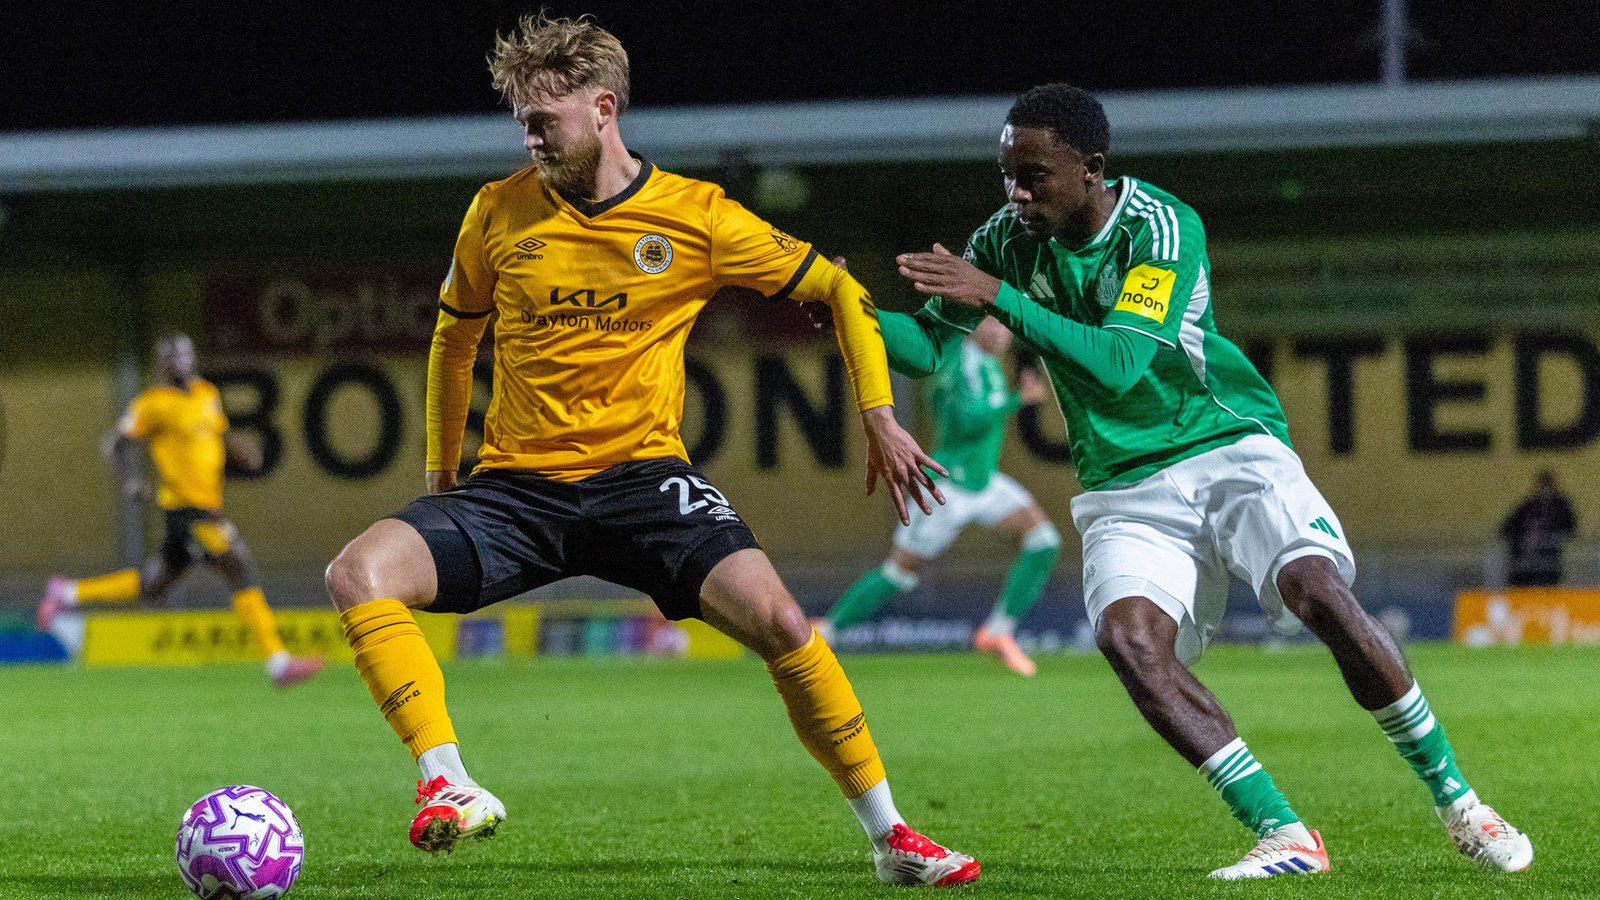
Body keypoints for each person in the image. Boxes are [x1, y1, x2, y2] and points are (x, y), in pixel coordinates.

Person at [321, 13, 978, 887]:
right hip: (516, 489)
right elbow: (453, 342)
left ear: (603, 108)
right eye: (519, 120)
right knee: (356, 574)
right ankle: (448, 781)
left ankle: (892, 837)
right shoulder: (495, 211)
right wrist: (443, 472)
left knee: (784, 624)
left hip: (644, 480)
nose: (528, 136)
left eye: (541, 119)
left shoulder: (697, 217)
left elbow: (836, 288)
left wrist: (880, 414)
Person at [871, 83, 1532, 878]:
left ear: (1091, 168)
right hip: (1123, 482)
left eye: (1033, 175)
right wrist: (847, 310)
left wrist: (999, 298)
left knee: (1317, 590)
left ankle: (1460, 801)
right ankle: (1284, 833)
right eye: (1006, 173)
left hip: (1228, 448)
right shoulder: (1005, 240)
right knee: (1127, 640)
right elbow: (927, 348)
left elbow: (1120, 366)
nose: (1015, 192)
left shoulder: (1161, 224)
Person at [36, 334, 324, 688]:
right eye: (171, 355)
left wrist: (240, 454)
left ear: (193, 356)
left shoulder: (207, 394)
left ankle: (66, 593)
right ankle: (278, 662)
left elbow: (216, 439)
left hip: (208, 507)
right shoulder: (154, 402)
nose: (179, 360)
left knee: (153, 586)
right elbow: (116, 444)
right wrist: (130, 481)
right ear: (161, 364)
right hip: (186, 512)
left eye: (185, 352)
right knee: (238, 566)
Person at [817, 316, 1061, 676]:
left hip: (983, 482)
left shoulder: (990, 365)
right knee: (899, 573)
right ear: (973, 326)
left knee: (1043, 539)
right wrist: (1016, 400)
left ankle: (998, 632)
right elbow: (964, 420)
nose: (997, 331)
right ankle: (826, 632)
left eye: (1003, 324)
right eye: (988, 323)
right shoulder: (959, 362)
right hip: (947, 485)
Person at [1499, 470, 1576, 587]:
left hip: (1548, 563)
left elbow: (1570, 528)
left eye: (1547, 487)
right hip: (1525, 561)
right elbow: (1506, 527)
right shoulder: (1528, 506)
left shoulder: (1560, 505)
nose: (1543, 491)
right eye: (1541, 487)